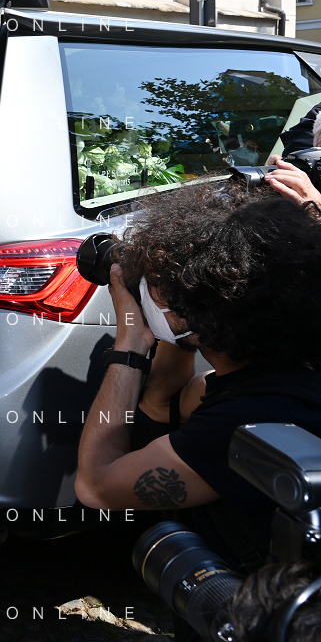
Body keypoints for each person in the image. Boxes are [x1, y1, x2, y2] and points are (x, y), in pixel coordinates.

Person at [74, 181, 321, 573]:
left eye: (157, 285)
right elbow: (163, 403)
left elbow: (94, 486)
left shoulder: (238, 424)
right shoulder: (288, 374)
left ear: (197, 312)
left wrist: (130, 343)